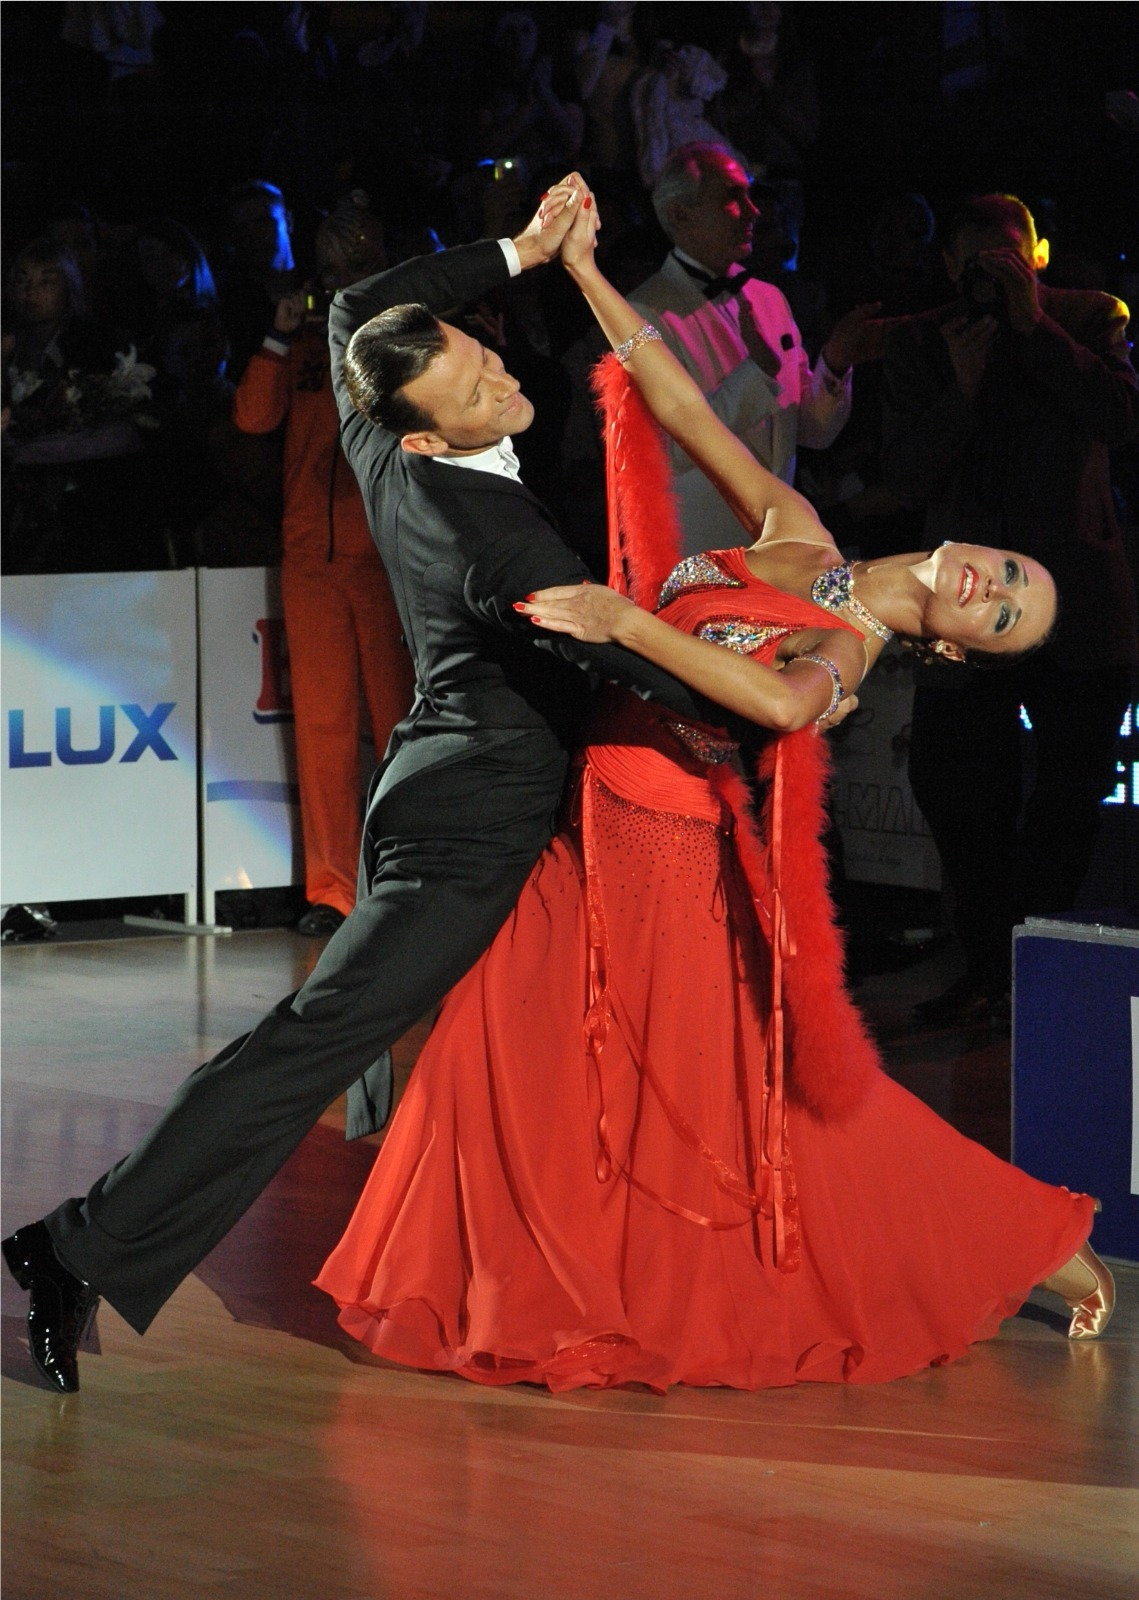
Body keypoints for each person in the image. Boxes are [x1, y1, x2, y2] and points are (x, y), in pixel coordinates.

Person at [315, 189, 1112, 1394]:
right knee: (508, 1052)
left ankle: (1027, 1243)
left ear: (954, 646)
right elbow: (680, 402)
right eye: (1008, 574)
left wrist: (629, 617)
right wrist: (580, 269)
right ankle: (510, 1282)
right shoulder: (799, 530)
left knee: (751, 1114)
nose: (987, 588)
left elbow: (783, 707)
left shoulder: (844, 650)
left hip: (666, 860)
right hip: (583, 820)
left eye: (1000, 616)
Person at [1, 179, 732, 1396]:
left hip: (465, 788)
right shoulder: (491, 539)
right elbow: (613, 651)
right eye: (469, 384)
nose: (497, 372)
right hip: (469, 828)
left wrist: (521, 250)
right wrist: (766, 699)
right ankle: (73, 1245)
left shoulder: (378, 425)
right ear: (428, 436)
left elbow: (357, 305)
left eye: (479, 350)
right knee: (315, 1035)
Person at [881, 194, 1139, 1022]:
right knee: (953, 786)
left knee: (1071, 788)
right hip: (962, 609)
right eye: (974, 263)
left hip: (1077, 602)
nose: (992, 275)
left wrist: (1037, 329)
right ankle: (989, 961)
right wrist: (961, 387)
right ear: (951, 268)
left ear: (1036, 257)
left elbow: (1121, 418)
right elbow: (904, 476)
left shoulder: (1088, 316)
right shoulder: (920, 337)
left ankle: (1026, 958)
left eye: (1009, 257)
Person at [232, 194, 415, 937]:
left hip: (385, 556)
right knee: (325, 730)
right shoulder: (302, 343)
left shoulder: (404, 337)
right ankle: (332, 893)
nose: (340, 277)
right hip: (309, 558)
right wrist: (278, 338)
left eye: (356, 261)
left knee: (402, 724)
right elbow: (251, 417)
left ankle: (413, 881)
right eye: (332, 263)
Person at [628, 142, 878, 553]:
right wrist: (755, 375)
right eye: (731, 197)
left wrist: (835, 362)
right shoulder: (641, 313)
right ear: (680, 214)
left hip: (780, 545)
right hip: (705, 550)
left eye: (748, 193)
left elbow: (812, 432)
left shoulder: (768, 297)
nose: (753, 210)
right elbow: (666, 449)